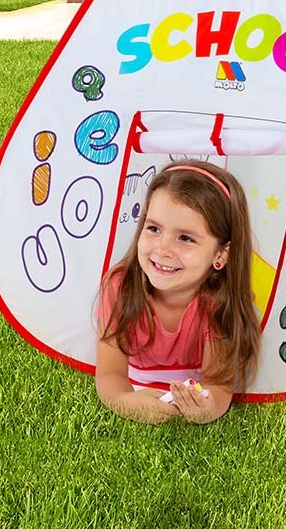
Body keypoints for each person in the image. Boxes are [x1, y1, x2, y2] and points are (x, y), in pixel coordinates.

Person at [96, 159, 260, 423]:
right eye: (154, 229)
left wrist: (206, 410)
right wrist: (125, 402)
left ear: (220, 255)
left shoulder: (219, 301)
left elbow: (218, 386)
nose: (163, 249)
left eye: (185, 238)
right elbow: (109, 373)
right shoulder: (119, 287)